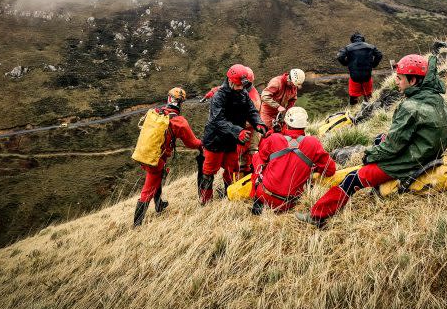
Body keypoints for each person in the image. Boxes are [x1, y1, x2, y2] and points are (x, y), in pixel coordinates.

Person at [296, 54, 447, 227]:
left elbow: (392, 148)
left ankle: (318, 216)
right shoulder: (438, 100)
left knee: (352, 179)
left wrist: (370, 156)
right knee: (381, 138)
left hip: (408, 162)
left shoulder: (410, 107)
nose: (396, 81)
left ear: (413, 81)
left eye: (400, 78)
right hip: (427, 153)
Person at [133, 87, 203, 227]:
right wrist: (203, 144)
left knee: (157, 178)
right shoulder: (179, 121)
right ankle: (137, 224)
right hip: (157, 160)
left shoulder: (156, 112)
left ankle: (159, 204)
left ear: (169, 98)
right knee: (148, 189)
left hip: (145, 153)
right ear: (181, 103)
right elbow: (192, 143)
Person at [200, 64, 267, 205]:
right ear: (229, 81)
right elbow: (217, 120)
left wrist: (258, 123)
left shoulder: (242, 93)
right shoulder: (219, 96)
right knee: (208, 172)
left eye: (241, 85)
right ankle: (206, 202)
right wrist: (238, 131)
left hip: (232, 140)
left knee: (232, 170)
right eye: (237, 85)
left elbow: (251, 111)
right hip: (215, 140)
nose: (239, 88)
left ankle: (229, 195)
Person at [250, 107, 335, 214]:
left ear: (286, 123)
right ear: (305, 124)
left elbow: (263, 155)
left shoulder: (274, 138)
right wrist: (312, 169)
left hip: (265, 196)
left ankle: (255, 197)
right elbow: (330, 170)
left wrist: (273, 134)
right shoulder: (313, 143)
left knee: (257, 157)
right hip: (289, 203)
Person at [337, 32, 383, 105]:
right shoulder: (370, 47)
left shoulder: (348, 48)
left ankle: (354, 110)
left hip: (354, 76)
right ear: (362, 39)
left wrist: (346, 63)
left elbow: (340, 56)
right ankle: (369, 109)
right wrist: (374, 64)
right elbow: (379, 55)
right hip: (367, 75)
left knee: (353, 95)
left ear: (352, 40)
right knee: (368, 94)